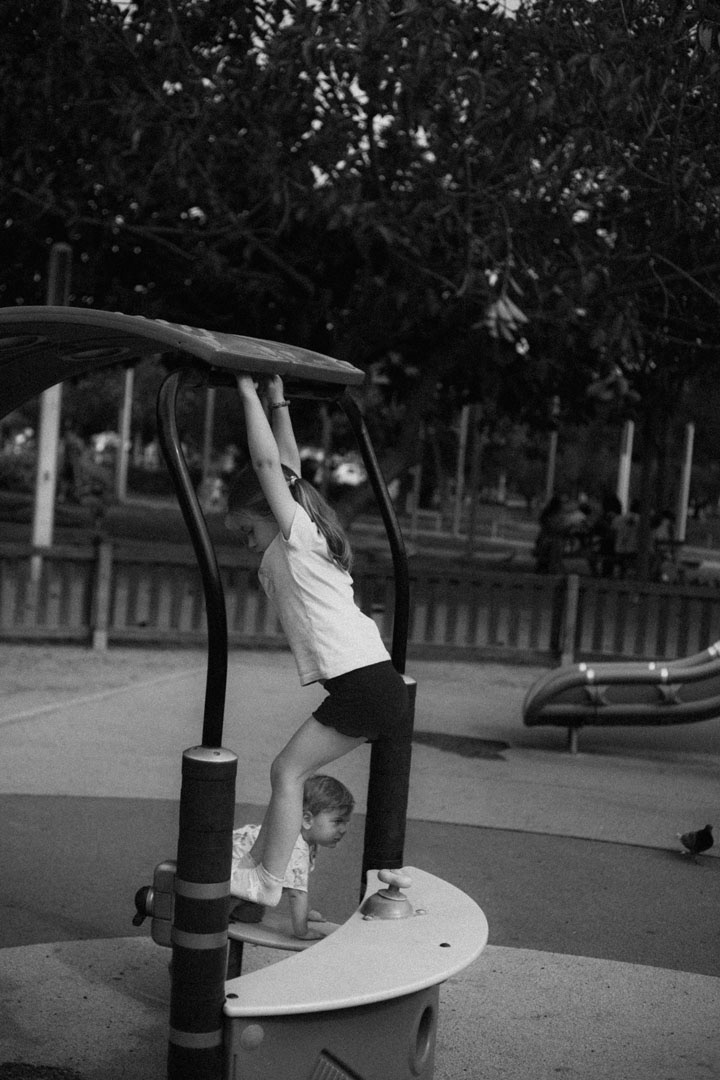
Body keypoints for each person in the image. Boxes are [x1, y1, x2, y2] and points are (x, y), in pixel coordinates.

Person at [225, 373, 409, 910]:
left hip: (364, 685)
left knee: (286, 771)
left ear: (271, 511)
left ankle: (267, 880)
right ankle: (257, 867)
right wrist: (278, 401)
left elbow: (269, 467)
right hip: (372, 684)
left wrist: (246, 394)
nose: (247, 543)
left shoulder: (297, 539)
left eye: (247, 530)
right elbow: (286, 469)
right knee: (290, 771)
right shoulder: (307, 535)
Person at [230, 774, 354, 939]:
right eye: (337, 822)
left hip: (236, 869)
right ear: (307, 820)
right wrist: (302, 931)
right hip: (224, 870)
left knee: (252, 916)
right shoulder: (295, 845)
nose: (343, 829)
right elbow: (297, 893)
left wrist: (306, 911)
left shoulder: (306, 842)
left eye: (346, 822)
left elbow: (298, 881)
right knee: (230, 906)